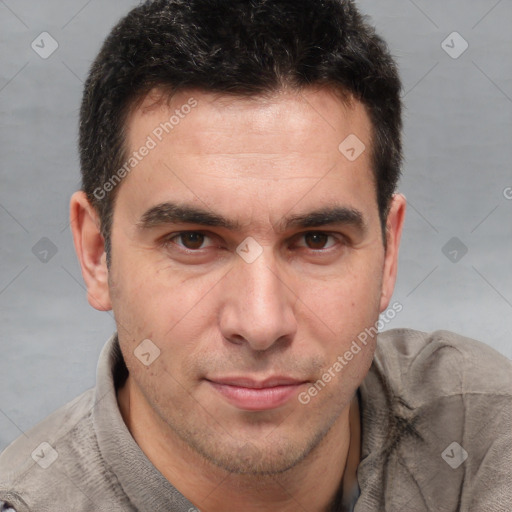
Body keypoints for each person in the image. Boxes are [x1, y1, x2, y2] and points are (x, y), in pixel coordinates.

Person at [1, 0, 510, 510]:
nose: (262, 324)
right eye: (193, 240)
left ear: (389, 251)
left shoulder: (485, 438)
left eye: (316, 240)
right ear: (96, 254)